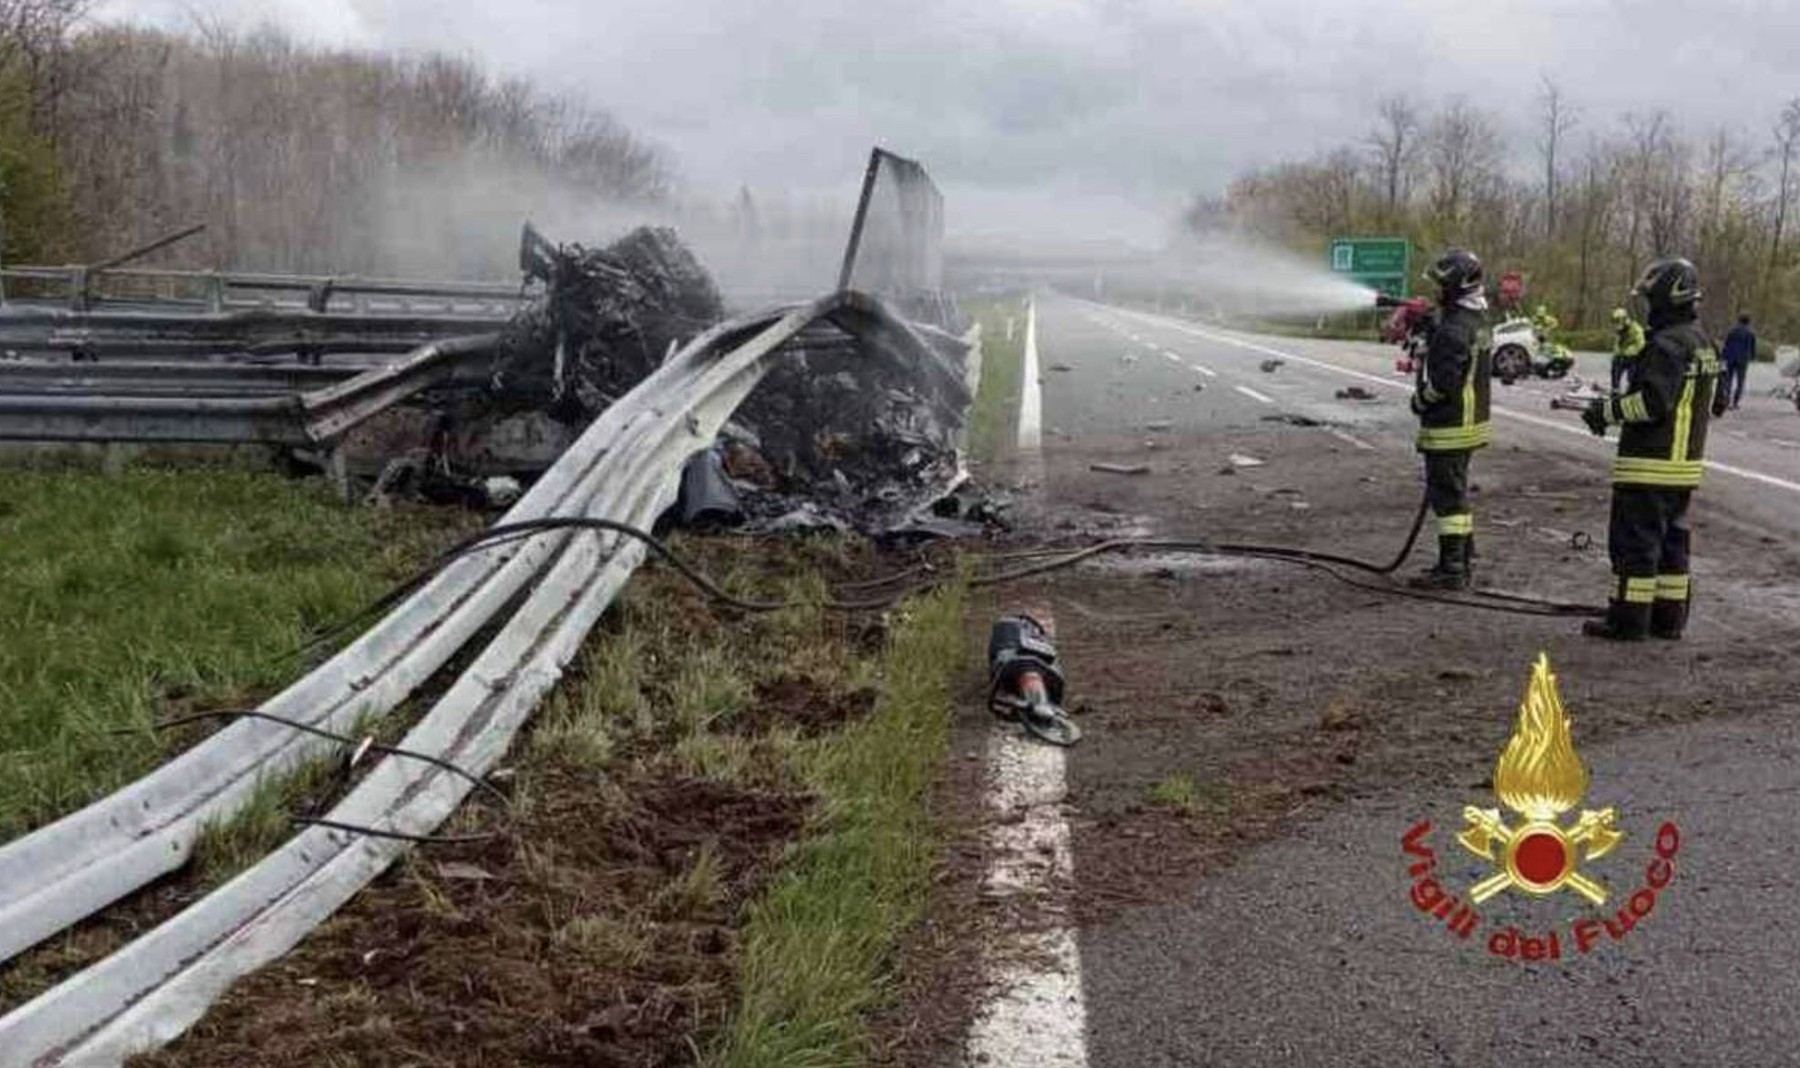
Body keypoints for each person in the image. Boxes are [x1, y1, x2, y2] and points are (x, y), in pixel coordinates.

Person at [1581, 258, 1725, 641]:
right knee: (1673, 548)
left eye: (1651, 300)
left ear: (1666, 300)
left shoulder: (1664, 345)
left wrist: (1606, 411)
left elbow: (1650, 404)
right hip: (1684, 469)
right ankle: (1668, 619)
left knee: (1636, 547)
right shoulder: (1705, 342)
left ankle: (1628, 621)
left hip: (1648, 465)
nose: (1648, 308)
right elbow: (1719, 402)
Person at [1409, 249, 1493, 590]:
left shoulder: (1453, 330)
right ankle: (1466, 554)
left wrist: (1419, 401)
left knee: (1448, 497)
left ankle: (1452, 568)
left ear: (1456, 287)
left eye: (1441, 286)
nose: (1436, 291)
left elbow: (1443, 384)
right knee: (1455, 489)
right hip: (1472, 422)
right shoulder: (1477, 321)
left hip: (1450, 426)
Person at [1720, 314, 1756, 410]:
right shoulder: (1750, 333)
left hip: (1730, 357)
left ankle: (1726, 400)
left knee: (1728, 380)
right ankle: (1735, 402)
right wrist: (1752, 357)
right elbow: (1752, 347)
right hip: (1743, 359)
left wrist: (1723, 356)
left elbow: (1726, 344)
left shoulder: (1732, 331)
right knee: (1740, 381)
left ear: (1739, 321)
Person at [1610, 306, 1646, 395]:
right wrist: (1618, 354)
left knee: (1633, 370)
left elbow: (1640, 345)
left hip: (1636, 357)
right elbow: (1617, 345)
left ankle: (1633, 389)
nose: (1617, 324)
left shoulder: (1636, 329)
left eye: (1618, 321)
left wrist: (1627, 352)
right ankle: (1615, 389)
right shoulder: (1620, 332)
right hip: (1624, 357)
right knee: (1616, 363)